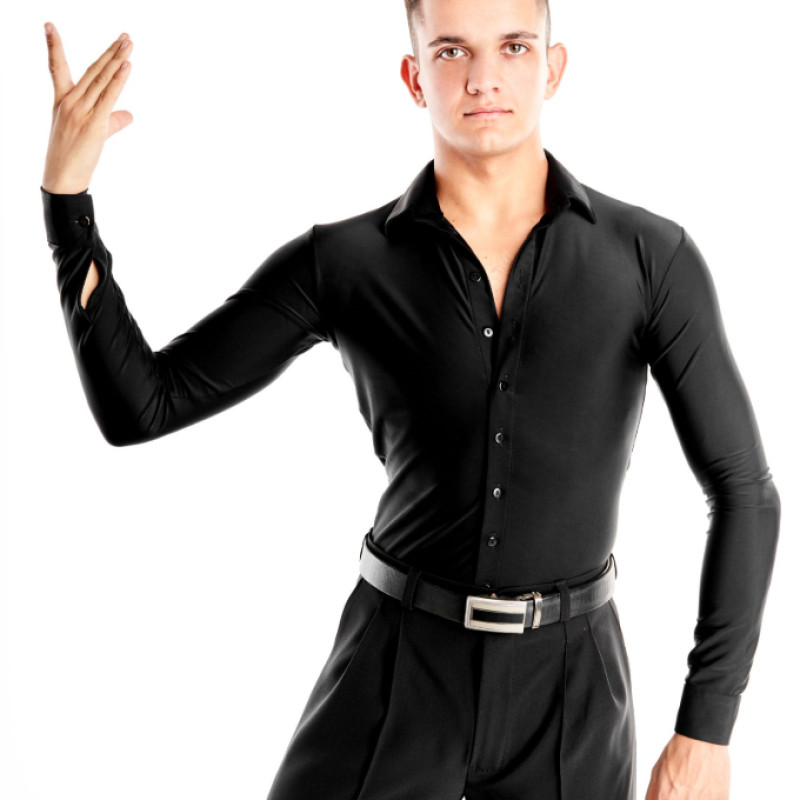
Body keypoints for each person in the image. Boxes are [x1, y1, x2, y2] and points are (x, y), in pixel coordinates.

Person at [40, 1, 780, 798]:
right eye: (453, 51)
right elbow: (144, 406)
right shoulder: (344, 263)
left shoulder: (648, 258)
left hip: (573, 699)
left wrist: (707, 727)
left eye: (514, 47)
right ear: (414, 77)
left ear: (554, 68)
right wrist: (67, 202)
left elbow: (744, 491)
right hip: (395, 671)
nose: (484, 77)